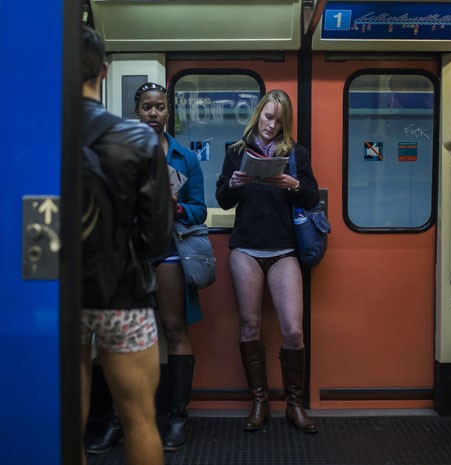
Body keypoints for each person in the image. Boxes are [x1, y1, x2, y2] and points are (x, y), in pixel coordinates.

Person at [87, 82, 207, 453]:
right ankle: (116, 421)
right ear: (136, 111)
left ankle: (176, 418)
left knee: (173, 327)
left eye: (160, 107)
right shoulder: (118, 148)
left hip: (169, 247)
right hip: (127, 253)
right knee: (116, 335)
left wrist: (177, 208)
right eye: (146, 107)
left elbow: (200, 208)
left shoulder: (185, 157)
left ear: (168, 111)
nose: (153, 113)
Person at [80, 25, 172, 465]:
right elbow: (157, 236)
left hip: (55, 296)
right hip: (124, 295)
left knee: (65, 422)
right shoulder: (137, 141)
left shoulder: (31, 137)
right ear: (104, 70)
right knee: (139, 418)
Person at [215, 89, 320, 433]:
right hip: (246, 248)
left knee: (293, 329)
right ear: (258, 114)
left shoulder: (295, 154)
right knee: (250, 326)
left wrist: (292, 184)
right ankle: (259, 401)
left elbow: (311, 195)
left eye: (278, 120)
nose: (271, 125)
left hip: (283, 250)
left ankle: (294, 405)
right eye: (267, 117)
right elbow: (224, 200)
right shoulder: (236, 151)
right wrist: (232, 183)